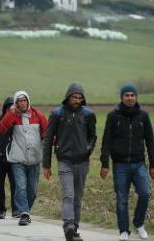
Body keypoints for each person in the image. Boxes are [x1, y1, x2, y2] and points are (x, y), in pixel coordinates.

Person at [100, 84, 154, 241]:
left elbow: (150, 141)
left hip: (139, 164)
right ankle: (124, 230)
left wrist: (153, 164)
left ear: (136, 97)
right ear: (121, 97)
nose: (130, 98)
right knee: (121, 199)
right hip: (120, 165)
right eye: (127, 95)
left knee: (145, 193)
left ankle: (139, 224)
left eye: (132, 95)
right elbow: (106, 141)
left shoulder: (143, 116)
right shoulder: (113, 116)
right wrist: (104, 163)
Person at [43, 83, 97, 241]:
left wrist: (87, 149)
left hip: (82, 162)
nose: (77, 100)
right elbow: (47, 140)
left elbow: (93, 136)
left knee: (77, 197)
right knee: (68, 195)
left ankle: (75, 228)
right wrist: (46, 164)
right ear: (68, 97)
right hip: (64, 160)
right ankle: (68, 227)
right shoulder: (57, 114)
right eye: (74, 97)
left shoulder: (88, 114)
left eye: (80, 98)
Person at [0, 90, 48, 226]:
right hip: (17, 159)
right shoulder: (12, 115)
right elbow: (1, 129)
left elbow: (47, 134)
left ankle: (25, 211)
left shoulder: (38, 115)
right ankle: (24, 213)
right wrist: (11, 113)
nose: (22, 103)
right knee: (21, 187)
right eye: (19, 101)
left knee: (32, 190)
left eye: (24, 100)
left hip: (35, 159)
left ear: (28, 101)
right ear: (16, 103)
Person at [0, 97, 18, 219]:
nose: (10, 110)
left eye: (12, 108)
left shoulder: (17, 122)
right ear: (5, 108)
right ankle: (1, 209)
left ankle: (16, 209)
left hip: (13, 158)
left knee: (15, 185)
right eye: (8, 108)